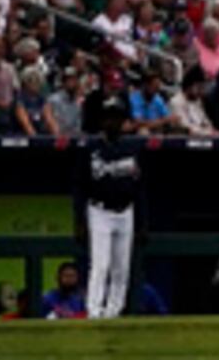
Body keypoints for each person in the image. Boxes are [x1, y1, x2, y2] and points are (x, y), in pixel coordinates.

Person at [78, 72, 143, 319]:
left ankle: (114, 312)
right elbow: (80, 186)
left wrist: (142, 223)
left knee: (121, 268)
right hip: (99, 210)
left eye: (117, 118)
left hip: (126, 211)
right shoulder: (91, 148)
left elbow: (139, 188)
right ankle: (94, 312)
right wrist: (80, 220)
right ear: (102, 121)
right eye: (109, 118)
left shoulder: (132, 148)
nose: (113, 123)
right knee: (101, 265)